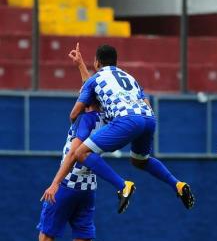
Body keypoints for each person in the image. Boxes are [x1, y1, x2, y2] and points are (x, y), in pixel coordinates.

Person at [43, 44, 194, 214]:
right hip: (148, 119)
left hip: (126, 120)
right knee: (140, 160)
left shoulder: (94, 82)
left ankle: (123, 186)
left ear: (97, 62)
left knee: (81, 153)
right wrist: (80, 65)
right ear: (115, 62)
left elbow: (75, 112)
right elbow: (146, 103)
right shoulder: (130, 78)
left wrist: (75, 123)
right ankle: (178, 185)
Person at [14, 102, 136, 241]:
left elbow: (73, 153)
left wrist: (55, 184)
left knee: (46, 236)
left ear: (87, 101)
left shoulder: (85, 120)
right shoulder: (105, 119)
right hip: (88, 188)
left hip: (67, 185)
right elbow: (91, 88)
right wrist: (81, 67)